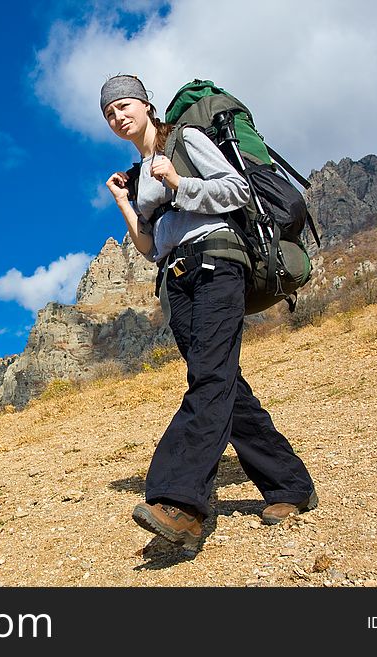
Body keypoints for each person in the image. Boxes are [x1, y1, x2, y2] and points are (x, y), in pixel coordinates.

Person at [101, 74, 317, 551]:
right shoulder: (138, 175)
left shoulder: (185, 139)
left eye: (124, 105)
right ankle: (290, 485)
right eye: (110, 112)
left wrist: (178, 183)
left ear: (146, 105)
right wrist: (124, 202)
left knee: (210, 379)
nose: (118, 116)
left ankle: (182, 503)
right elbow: (149, 246)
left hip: (217, 262)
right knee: (221, 381)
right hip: (175, 278)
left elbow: (235, 190)